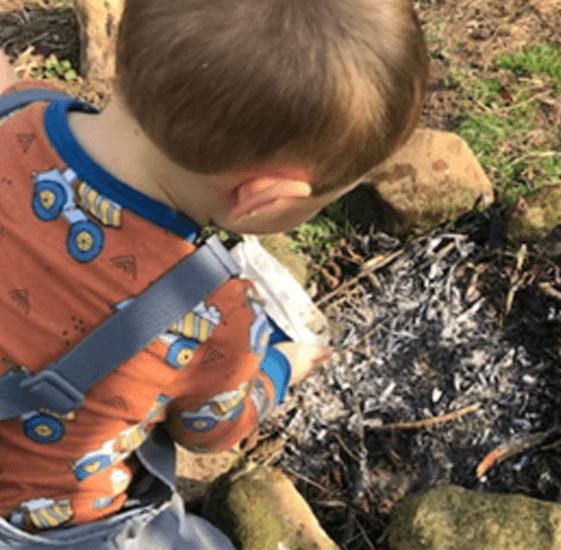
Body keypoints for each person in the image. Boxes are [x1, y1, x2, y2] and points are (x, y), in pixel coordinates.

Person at [0, 0, 428, 548]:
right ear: (265, 201)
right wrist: (278, 366)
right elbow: (210, 430)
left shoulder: (21, 109)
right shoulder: (208, 312)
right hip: (47, 519)